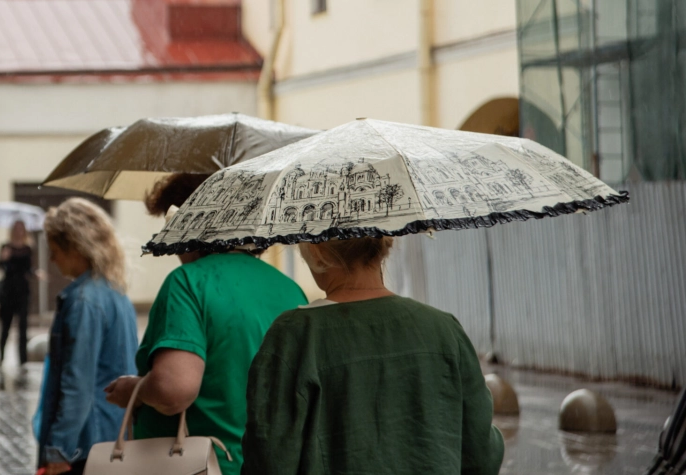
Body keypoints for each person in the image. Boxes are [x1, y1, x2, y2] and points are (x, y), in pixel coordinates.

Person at [242, 236, 504, 475]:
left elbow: (269, 460)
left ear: (317, 250)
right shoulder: (445, 330)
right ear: (386, 243)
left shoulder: (293, 336)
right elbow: (482, 456)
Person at [104, 173, 308, 475]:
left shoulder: (188, 283)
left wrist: (134, 390)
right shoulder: (290, 289)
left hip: (202, 465)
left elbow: (175, 390)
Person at [34, 198, 138, 475]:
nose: (52, 259)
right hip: (114, 436)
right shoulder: (116, 293)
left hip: (85, 446)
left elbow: (77, 384)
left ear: (76, 247)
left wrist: (58, 449)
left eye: (55, 250)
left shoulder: (84, 301)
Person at [0, 220, 34, 367]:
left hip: (23, 292)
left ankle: (23, 360)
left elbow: (29, 269)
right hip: (7, 293)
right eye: (16, 229)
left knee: (23, 328)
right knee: (5, 327)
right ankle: (1, 358)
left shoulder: (28, 249)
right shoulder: (5, 247)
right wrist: (3, 259)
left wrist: (36, 273)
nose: (19, 231)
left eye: (21, 229)